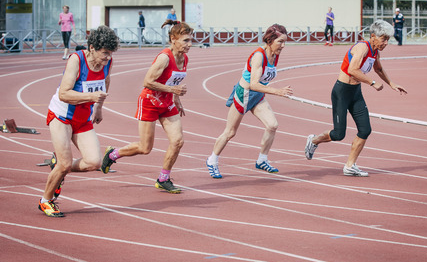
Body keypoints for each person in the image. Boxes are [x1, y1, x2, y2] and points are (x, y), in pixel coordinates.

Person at [304, 20, 407, 177]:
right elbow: (353, 69)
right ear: (373, 36)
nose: (386, 43)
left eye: (388, 39)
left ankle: (350, 166)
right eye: (383, 39)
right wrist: (372, 83)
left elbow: (378, 69)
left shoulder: (375, 52)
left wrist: (392, 83)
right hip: (342, 92)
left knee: (365, 130)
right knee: (339, 134)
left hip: (355, 93)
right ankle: (314, 140)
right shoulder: (362, 47)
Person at [101, 22, 194, 194]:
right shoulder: (164, 57)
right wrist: (173, 90)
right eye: (185, 40)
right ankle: (113, 154)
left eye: (191, 40)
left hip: (166, 103)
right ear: (173, 39)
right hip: (150, 102)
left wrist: (176, 98)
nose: (189, 44)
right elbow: (147, 82)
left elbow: (173, 79)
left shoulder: (185, 58)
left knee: (178, 141)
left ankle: (163, 179)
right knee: (145, 148)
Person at [39, 26, 119, 217]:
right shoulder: (77, 60)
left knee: (94, 162)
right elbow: (64, 93)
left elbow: (106, 82)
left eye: (110, 53)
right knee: (64, 164)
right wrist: (92, 98)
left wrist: (99, 107)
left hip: (83, 118)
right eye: (104, 53)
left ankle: (58, 166)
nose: (107, 57)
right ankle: (46, 200)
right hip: (62, 116)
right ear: (92, 48)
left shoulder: (108, 62)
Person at [206, 24, 293, 179]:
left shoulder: (275, 54)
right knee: (230, 132)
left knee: (272, 125)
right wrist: (277, 91)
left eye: (285, 42)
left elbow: (260, 84)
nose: (283, 46)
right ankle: (212, 160)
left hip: (257, 96)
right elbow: (253, 84)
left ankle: (262, 160)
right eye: (280, 42)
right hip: (244, 94)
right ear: (270, 40)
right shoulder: (259, 55)